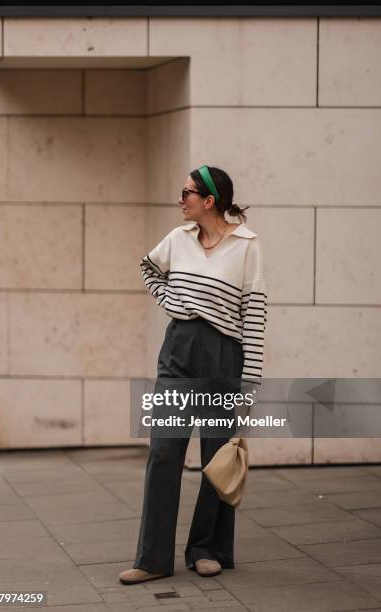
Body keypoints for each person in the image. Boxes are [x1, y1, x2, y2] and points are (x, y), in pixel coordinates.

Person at [119, 165, 267, 585]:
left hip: (225, 354)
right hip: (179, 351)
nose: (180, 199)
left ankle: (208, 548)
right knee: (164, 451)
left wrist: (250, 382)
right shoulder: (177, 240)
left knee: (216, 455)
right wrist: (173, 301)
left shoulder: (246, 246)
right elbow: (149, 269)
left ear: (209, 201)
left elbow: (254, 314)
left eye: (187, 193)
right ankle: (152, 558)